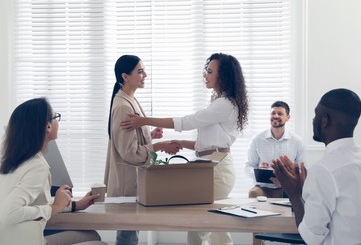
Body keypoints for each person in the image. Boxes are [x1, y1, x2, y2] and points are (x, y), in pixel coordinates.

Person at [121, 52, 249, 245]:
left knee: (201, 224)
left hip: (219, 170)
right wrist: (178, 142)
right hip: (212, 164)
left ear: (223, 75)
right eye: (206, 70)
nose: (205, 75)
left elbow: (188, 121)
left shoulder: (225, 104)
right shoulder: (220, 101)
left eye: (210, 71)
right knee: (211, 225)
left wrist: (143, 120)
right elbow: (204, 144)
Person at [272, 88, 361, 245]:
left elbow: (311, 238)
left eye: (316, 115)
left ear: (324, 120)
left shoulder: (324, 170)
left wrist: (294, 194)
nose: (313, 120)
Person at [0, 97, 107, 245]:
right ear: (47, 127)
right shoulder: (36, 167)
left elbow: (30, 203)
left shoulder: (11, 160)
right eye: (56, 117)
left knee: (91, 236)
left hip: (13, 239)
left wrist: (74, 205)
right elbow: (8, 213)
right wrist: (54, 207)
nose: (58, 122)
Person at [104, 54, 182, 245]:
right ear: (125, 76)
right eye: (140, 71)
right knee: (127, 237)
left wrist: (149, 135)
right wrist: (159, 146)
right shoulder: (123, 106)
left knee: (130, 235)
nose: (145, 75)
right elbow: (129, 152)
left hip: (132, 181)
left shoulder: (129, 100)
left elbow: (131, 140)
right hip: (126, 183)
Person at [245, 101, 305, 198]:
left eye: (280, 113)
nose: (275, 116)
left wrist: (289, 177)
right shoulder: (257, 139)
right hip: (263, 188)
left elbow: (303, 170)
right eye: (273, 113)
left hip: (286, 188)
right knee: (253, 193)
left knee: (297, 196)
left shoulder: (297, 141)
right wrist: (257, 172)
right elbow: (248, 166)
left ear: (288, 118)